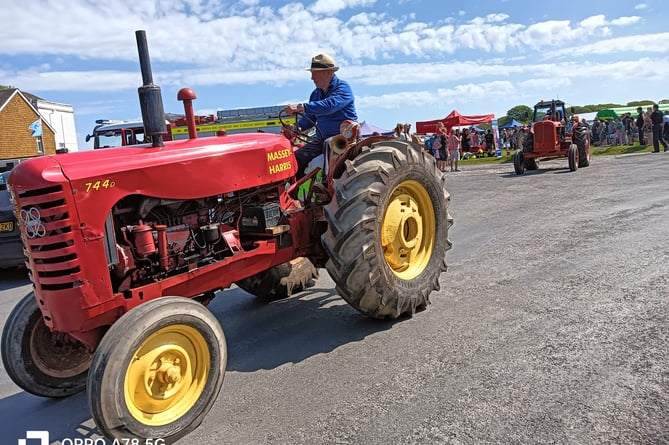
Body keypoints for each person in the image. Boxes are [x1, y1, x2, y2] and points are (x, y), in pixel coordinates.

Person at [283, 53, 358, 178]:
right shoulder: (315, 94)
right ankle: (294, 190)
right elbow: (309, 119)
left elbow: (329, 106)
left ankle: (328, 183)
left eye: (315, 73)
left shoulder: (343, 88)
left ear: (328, 72)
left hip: (345, 138)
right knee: (297, 157)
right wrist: (295, 128)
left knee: (330, 144)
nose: (312, 78)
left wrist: (301, 107)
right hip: (322, 139)